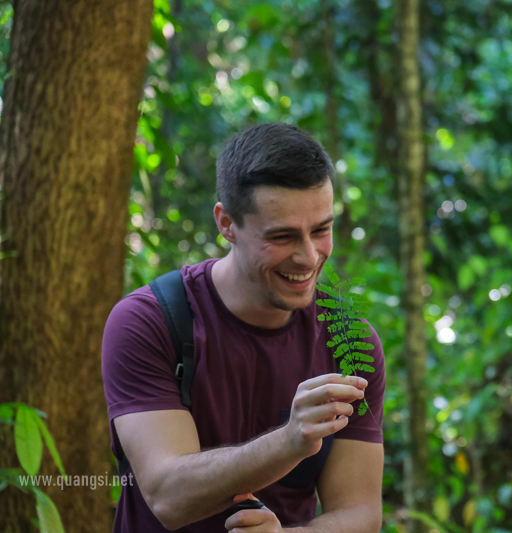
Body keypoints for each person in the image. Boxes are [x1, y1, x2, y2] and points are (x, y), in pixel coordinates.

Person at [102, 122, 385, 533]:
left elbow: (361, 512)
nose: (308, 257)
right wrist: (289, 441)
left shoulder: (350, 341)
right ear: (226, 223)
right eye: (283, 236)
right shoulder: (149, 321)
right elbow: (168, 496)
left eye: (321, 230)